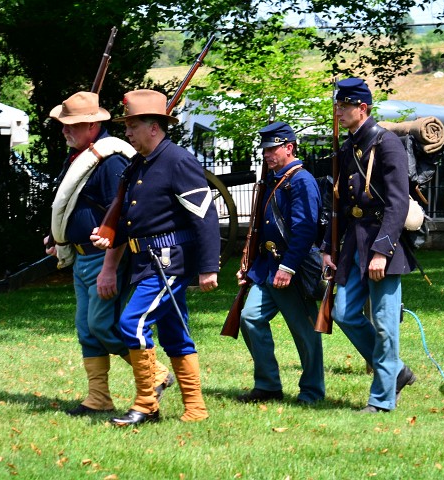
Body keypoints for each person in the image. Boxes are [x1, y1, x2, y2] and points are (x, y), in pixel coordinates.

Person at [90, 89, 220, 425]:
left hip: (170, 263)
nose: (127, 133)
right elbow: (129, 215)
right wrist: (108, 235)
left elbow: (204, 217)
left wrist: (208, 267)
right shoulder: (138, 164)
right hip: (148, 262)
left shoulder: (178, 161)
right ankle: (196, 409)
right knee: (175, 333)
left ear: (154, 127)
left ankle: (147, 404)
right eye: (127, 126)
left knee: (131, 324)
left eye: (133, 126)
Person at [45, 91, 173, 416]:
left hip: (103, 259)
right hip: (80, 256)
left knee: (103, 325)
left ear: (92, 125)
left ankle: (155, 372)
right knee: (87, 329)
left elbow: (121, 217)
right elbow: (75, 207)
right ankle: (98, 397)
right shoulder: (79, 157)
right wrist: (58, 237)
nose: (64, 131)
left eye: (70, 125)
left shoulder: (110, 161)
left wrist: (108, 268)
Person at [321, 78, 417, 413]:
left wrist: (382, 251)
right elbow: (342, 205)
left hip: (381, 244)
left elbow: (396, 204)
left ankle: (382, 399)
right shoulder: (348, 148)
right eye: (338, 105)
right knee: (344, 312)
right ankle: (397, 371)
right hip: (354, 243)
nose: (339, 112)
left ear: (363, 108)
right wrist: (328, 248)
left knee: (384, 323)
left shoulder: (387, 144)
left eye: (345, 106)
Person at [236, 121, 325, 404]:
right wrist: (249, 266)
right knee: (250, 318)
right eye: (265, 149)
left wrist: (288, 267)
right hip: (266, 268)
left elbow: (305, 229)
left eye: (273, 149)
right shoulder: (274, 180)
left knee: (304, 332)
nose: (267, 154)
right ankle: (268, 385)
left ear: (289, 147)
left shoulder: (300, 180)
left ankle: (312, 391)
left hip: (292, 269)